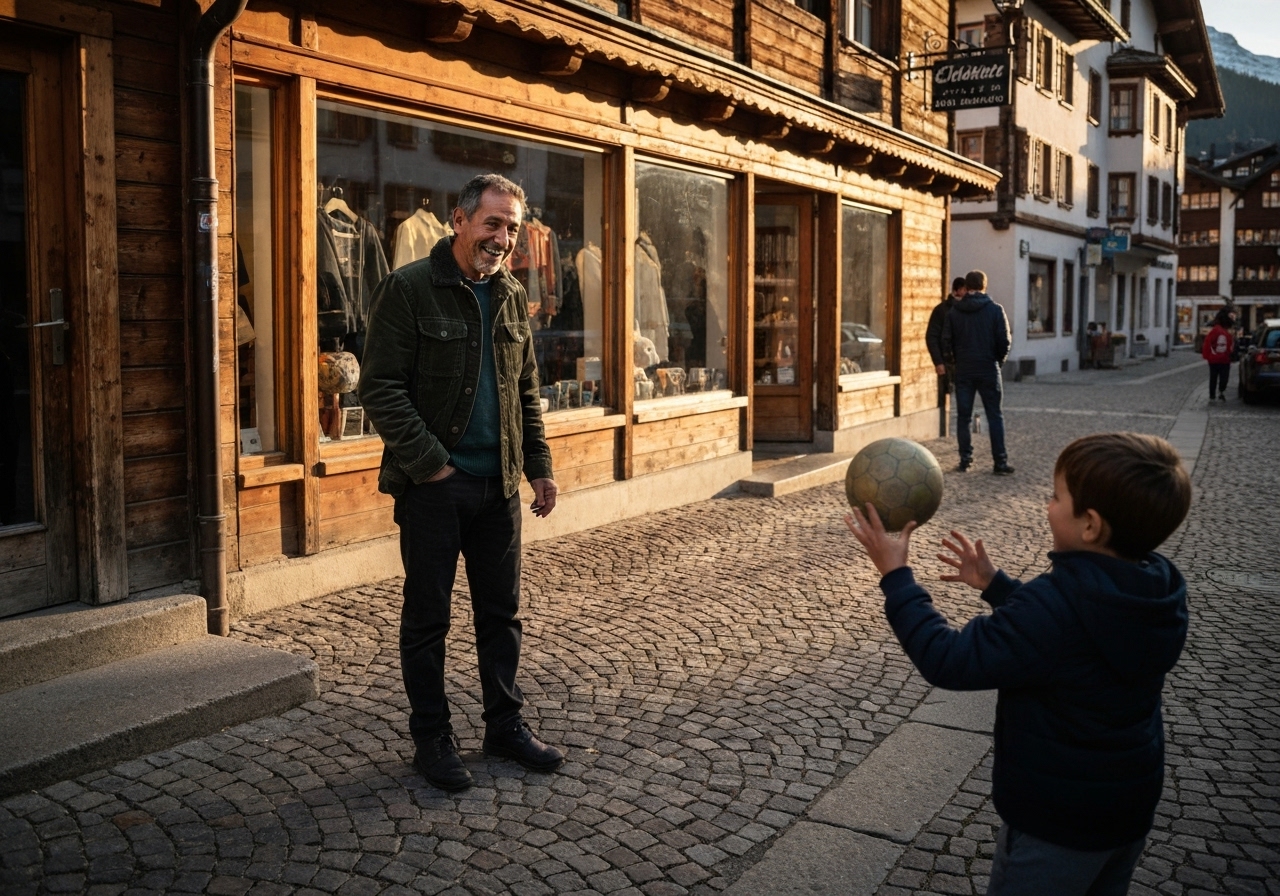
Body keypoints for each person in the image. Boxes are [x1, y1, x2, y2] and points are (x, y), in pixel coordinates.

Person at [845, 431, 1191, 896]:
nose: (1047, 504)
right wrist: (998, 587)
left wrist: (897, 577)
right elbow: (1074, 635)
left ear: (1090, 525)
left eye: (1055, 496)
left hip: (1056, 822)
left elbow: (948, 659)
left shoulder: (1053, 607)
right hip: (1125, 810)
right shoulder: (1156, 589)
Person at [358, 173, 563, 792]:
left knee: (502, 616)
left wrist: (540, 465)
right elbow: (380, 389)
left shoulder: (508, 294)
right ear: (460, 219)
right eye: (492, 223)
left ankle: (504, 725)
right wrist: (433, 464)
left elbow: (524, 389)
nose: (502, 238)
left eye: (511, 227)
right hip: (435, 489)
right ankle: (433, 740)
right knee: (428, 620)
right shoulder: (409, 289)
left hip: (498, 488)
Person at [942, 270, 1014, 474]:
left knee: (963, 417)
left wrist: (954, 363)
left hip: (964, 369)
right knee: (995, 415)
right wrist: (997, 362)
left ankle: (965, 459)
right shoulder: (995, 310)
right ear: (984, 286)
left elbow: (946, 342)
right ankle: (1000, 462)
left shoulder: (954, 312)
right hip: (988, 368)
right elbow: (1004, 341)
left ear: (966, 286)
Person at [926, 277, 966, 409]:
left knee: (964, 402)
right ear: (958, 290)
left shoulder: (967, 309)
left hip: (963, 362)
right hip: (946, 361)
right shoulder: (942, 310)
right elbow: (932, 336)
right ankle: (942, 427)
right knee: (943, 400)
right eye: (965, 289)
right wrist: (938, 362)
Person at [1201, 308, 1234, 402]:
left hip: (1214, 359)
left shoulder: (1214, 331)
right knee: (1224, 377)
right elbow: (1229, 346)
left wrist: (1207, 355)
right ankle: (1221, 391)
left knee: (1213, 377)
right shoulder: (1226, 333)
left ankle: (1212, 395)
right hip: (1224, 359)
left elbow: (1207, 343)